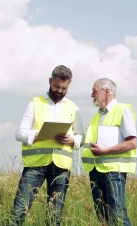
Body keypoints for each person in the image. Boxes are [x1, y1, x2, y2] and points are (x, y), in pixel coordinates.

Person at [9, 65, 84, 226]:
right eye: (57, 86)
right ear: (50, 81)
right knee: (19, 211)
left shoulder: (73, 107)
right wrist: (34, 135)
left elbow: (81, 136)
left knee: (54, 217)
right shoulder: (35, 103)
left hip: (61, 168)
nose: (60, 91)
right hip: (35, 166)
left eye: (64, 88)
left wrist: (72, 140)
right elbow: (19, 133)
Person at [82, 78, 137, 226]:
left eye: (94, 91)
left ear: (106, 91)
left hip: (114, 172)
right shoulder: (97, 116)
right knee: (103, 217)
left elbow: (132, 143)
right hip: (95, 171)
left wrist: (105, 151)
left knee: (117, 216)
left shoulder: (122, 110)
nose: (92, 95)